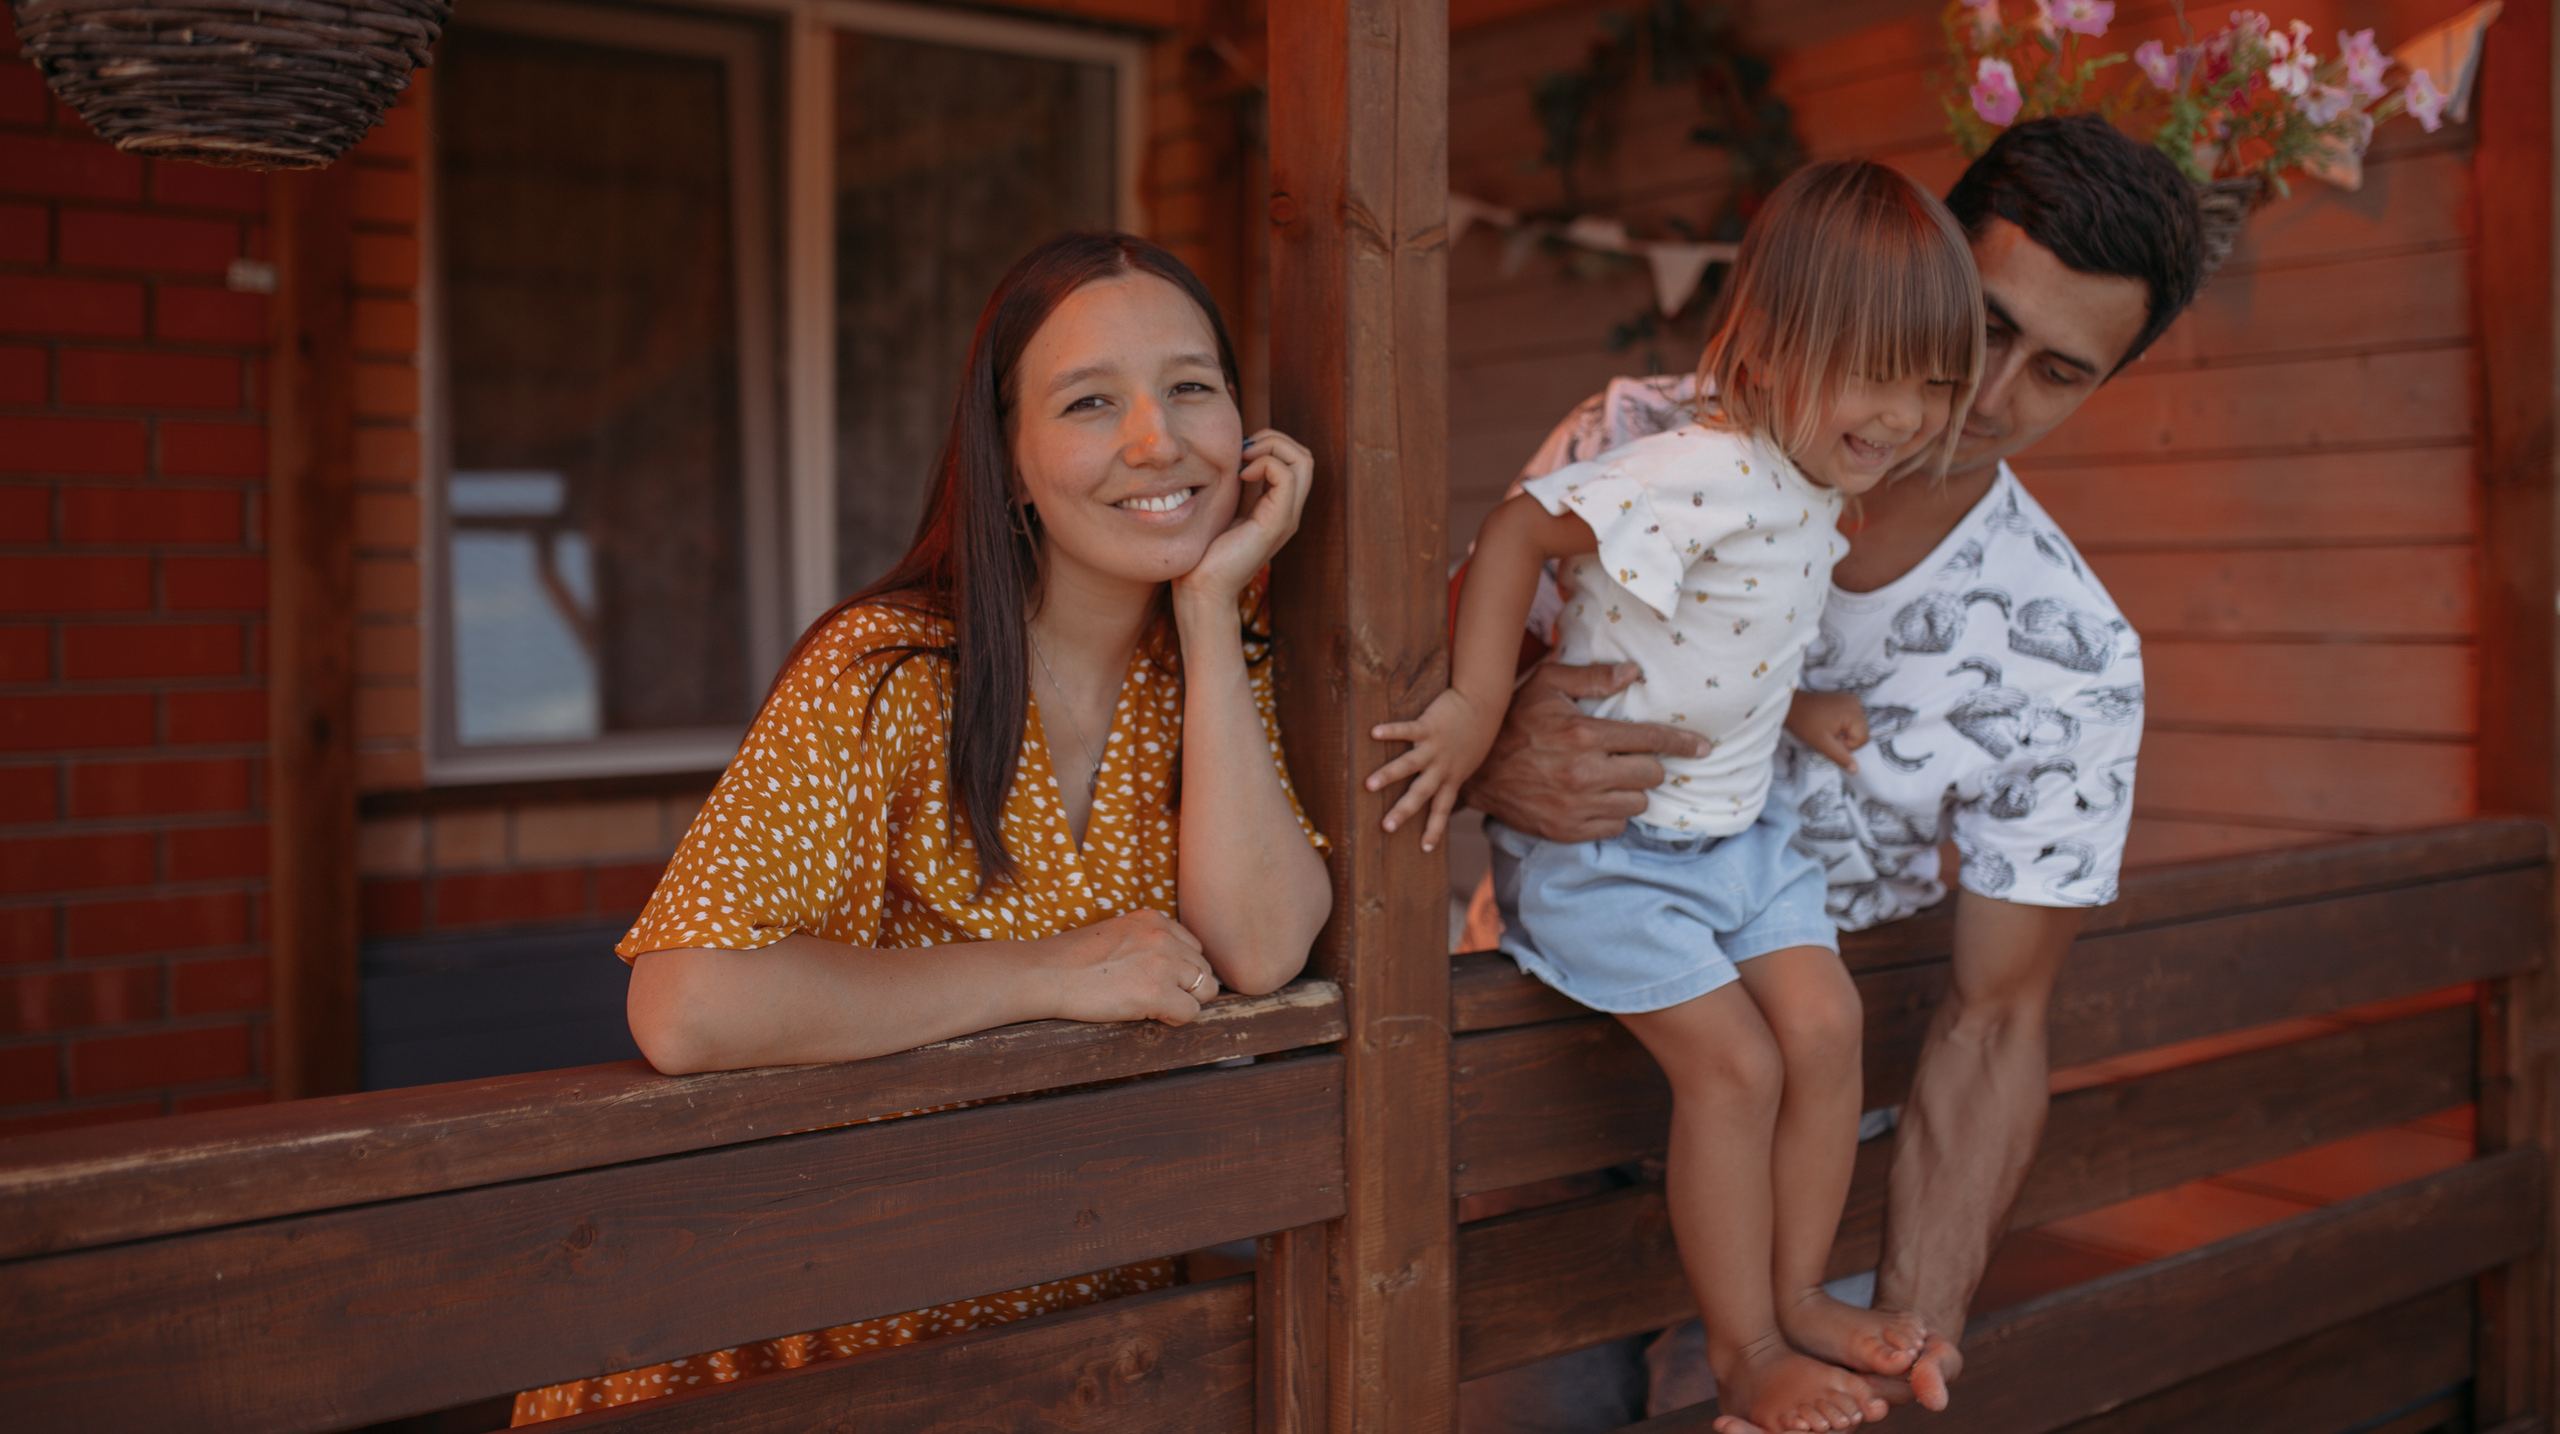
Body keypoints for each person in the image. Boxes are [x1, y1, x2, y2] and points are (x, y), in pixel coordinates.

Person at [1456, 116, 2205, 1434]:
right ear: (1923, 269)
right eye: (1980, 322)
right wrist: (1498, 753)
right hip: (1535, 1110)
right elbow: (1428, 703)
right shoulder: (1639, 436)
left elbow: (1995, 1021)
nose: (1986, 391)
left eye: (2059, 371)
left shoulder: (2069, 650)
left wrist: (1909, 1325)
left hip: (1809, 1158)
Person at [512, 232, 1334, 1422]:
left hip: (1067, 1352)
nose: (1158, 441)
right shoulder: (891, 671)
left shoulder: (1222, 668)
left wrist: (1208, 608)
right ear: (1006, 460)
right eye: (1090, 401)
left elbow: (1260, 950)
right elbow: (689, 1003)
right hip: (799, 1339)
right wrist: (1044, 973)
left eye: (1191, 386)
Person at [1374, 162, 1985, 1433]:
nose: (1904, 412)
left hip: (1734, 827)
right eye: (1875, 370)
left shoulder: (1814, 478)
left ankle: (1802, 1294)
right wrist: (1481, 712)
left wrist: (1800, 713)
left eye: (1932, 380)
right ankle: (1748, 1345)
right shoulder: (1694, 462)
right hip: (1613, 854)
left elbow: (1736, 638)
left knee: (1826, 1030)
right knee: (1739, 1069)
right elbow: (1515, 534)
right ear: (1767, 349)